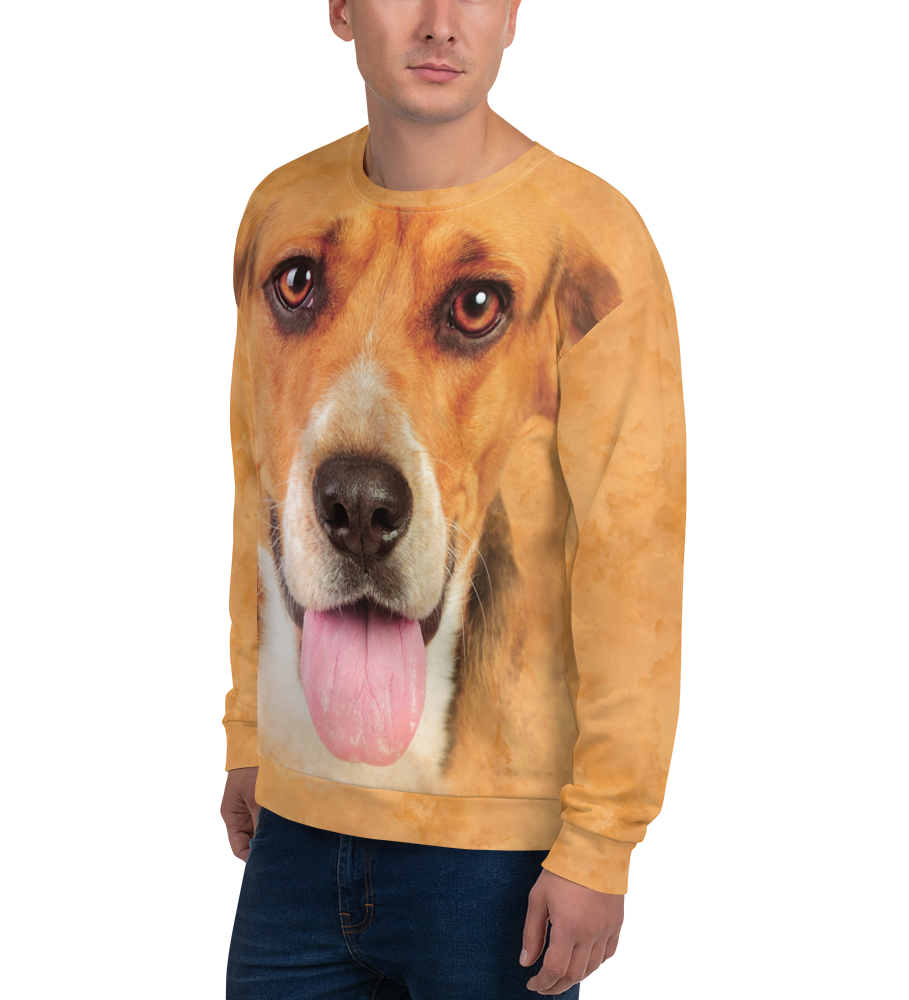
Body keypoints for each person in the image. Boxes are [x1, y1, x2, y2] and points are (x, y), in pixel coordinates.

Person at [222, 1, 686, 997]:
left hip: (501, 856)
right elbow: (254, 482)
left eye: (475, 304)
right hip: (295, 832)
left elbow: (632, 557)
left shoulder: (592, 233)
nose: (439, 22)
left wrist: (603, 840)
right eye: (302, 290)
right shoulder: (277, 208)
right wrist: (250, 733)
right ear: (342, 9)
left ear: (513, 14)